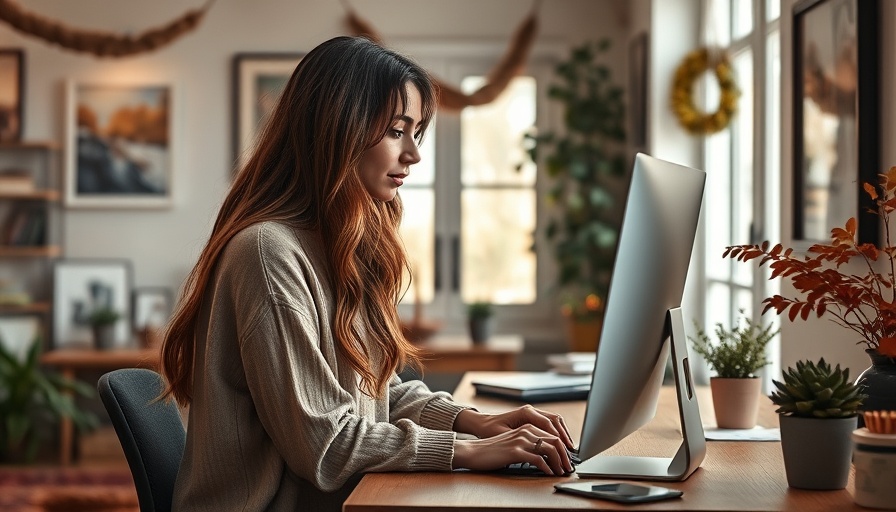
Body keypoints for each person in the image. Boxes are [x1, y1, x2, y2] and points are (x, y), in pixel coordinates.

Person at [160, 36, 573, 512]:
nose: (414, 154)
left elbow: (378, 393)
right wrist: (466, 452)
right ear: (338, 128)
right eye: (398, 131)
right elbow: (326, 446)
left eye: (416, 132)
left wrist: (471, 422)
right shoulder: (267, 254)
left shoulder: (339, 244)